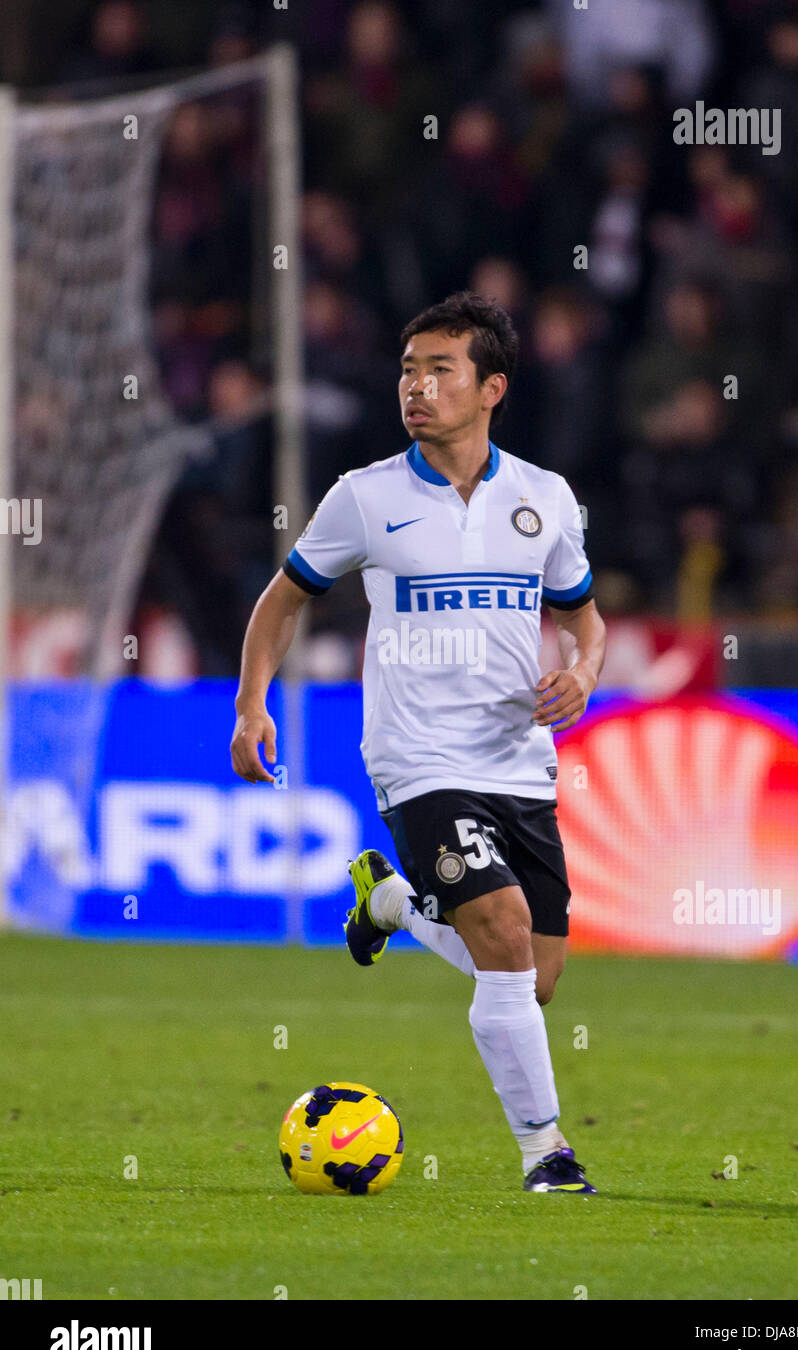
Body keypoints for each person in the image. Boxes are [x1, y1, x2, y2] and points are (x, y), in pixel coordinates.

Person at [230, 292, 606, 1193]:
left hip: (517, 760)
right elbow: (284, 598)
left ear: (491, 389)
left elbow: (585, 618)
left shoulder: (543, 499)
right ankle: (545, 1154)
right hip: (416, 757)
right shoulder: (364, 498)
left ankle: (393, 906)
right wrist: (252, 704)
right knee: (505, 935)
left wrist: (584, 674)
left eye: (440, 370)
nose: (417, 386)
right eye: (408, 369)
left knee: (535, 975)